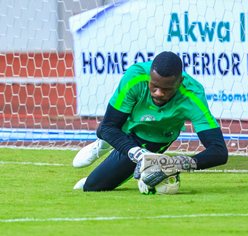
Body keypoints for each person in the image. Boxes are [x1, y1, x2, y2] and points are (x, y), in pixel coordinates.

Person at [72, 51, 228, 192]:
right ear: (149, 77)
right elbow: (106, 128)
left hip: (156, 136)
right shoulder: (136, 76)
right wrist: (140, 154)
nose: (158, 93)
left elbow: (219, 152)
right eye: (154, 86)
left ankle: (113, 151)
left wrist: (174, 164)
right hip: (126, 126)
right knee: (108, 134)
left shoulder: (193, 95)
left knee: (92, 186)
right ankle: (103, 145)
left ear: (180, 82)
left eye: (166, 89)